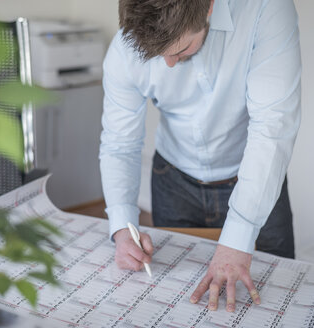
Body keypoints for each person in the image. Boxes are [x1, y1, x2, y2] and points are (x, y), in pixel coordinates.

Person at [99, 0, 301, 312]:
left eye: (180, 50)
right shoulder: (124, 49)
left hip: (254, 177)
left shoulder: (266, 9)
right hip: (173, 183)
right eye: (157, 54)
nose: (167, 64)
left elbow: (272, 129)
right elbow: (119, 143)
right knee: (177, 307)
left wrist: (239, 236)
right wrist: (123, 226)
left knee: (276, 302)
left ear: (208, 7)